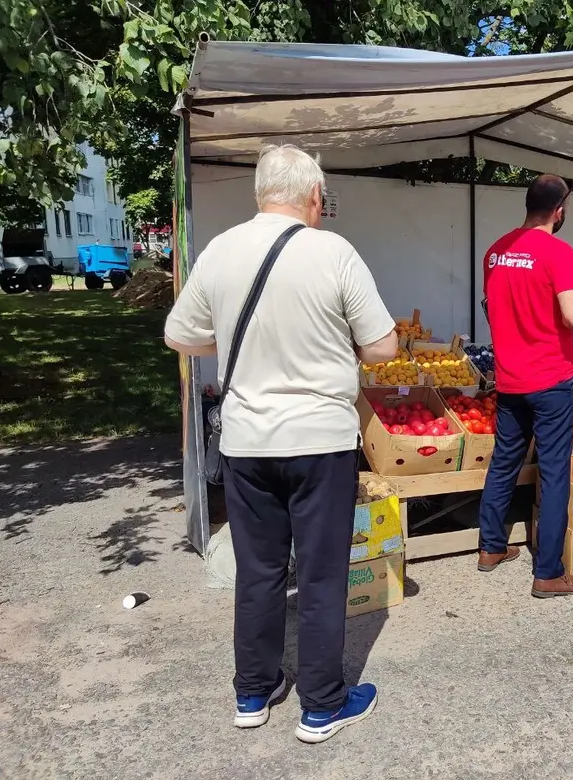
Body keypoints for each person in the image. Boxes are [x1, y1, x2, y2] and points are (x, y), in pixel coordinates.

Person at [164, 145, 398, 742]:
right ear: (314, 196)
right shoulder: (335, 252)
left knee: (260, 570)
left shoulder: (220, 250)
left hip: (247, 441)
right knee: (320, 574)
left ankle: (253, 691)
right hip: (320, 440)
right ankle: (321, 705)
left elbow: (180, 335)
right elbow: (383, 349)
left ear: (260, 194)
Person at [476, 174, 573, 599]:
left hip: (510, 377)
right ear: (559, 212)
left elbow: (495, 308)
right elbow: (572, 316)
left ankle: (490, 546)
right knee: (555, 471)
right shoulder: (558, 252)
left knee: (505, 460)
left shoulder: (495, 251)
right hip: (551, 378)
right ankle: (548, 572)